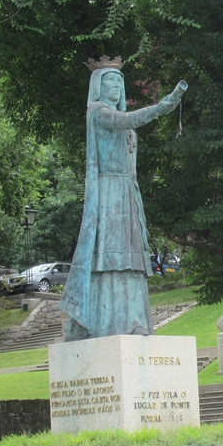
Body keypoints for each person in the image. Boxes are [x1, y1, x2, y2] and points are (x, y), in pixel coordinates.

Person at [61, 55, 187, 340]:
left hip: (127, 192)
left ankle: (134, 320)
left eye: (119, 81)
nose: (116, 87)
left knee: (131, 260)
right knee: (109, 258)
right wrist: (161, 107)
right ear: (98, 86)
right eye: (110, 81)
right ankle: (107, 324)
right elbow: (127, 119)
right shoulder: (98, 112)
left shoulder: (120, 122)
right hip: (108, 193)